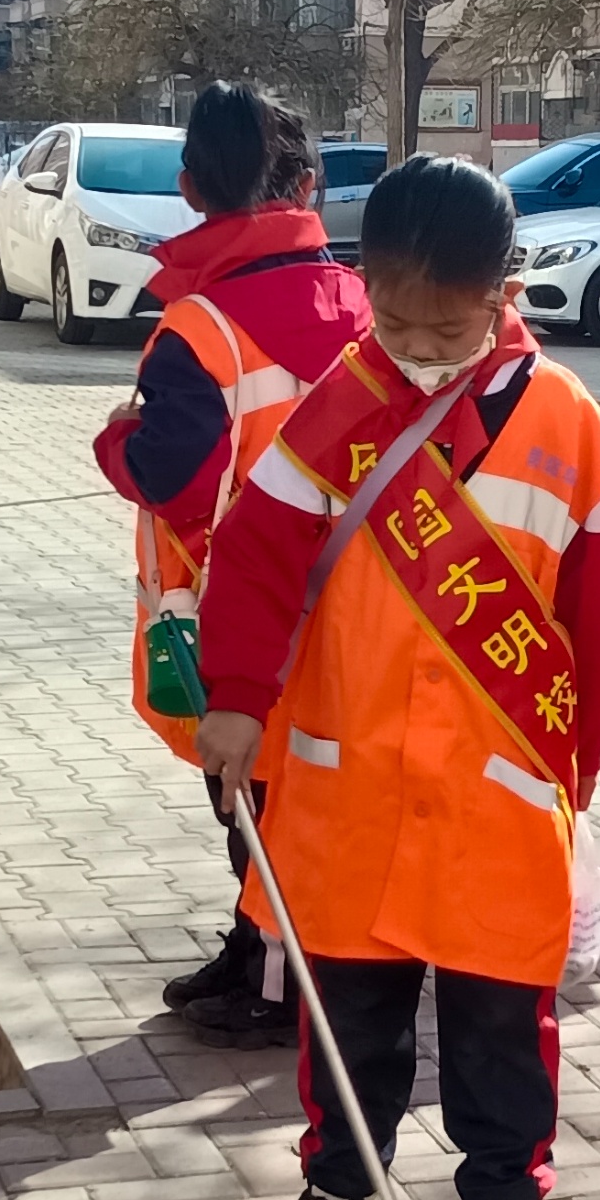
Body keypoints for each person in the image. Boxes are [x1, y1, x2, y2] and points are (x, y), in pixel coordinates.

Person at [192, 158, 600, 1200]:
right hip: (350, 777)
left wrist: (582, 757)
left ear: (501, 293)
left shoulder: (563, 422)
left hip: (497, 788)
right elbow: (253, 559)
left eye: (448, 326)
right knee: (348, 1010)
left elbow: (593, 611)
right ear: (364, 287)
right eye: (394, 321)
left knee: (499, 1024)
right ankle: (343, 1185)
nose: (419, 348)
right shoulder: (333, 410)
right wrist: (234, 697)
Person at [95, 81, 367, 1050]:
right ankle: (260, 949)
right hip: (360, 593)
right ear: (309, 185)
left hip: (238, 607)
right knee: (305, 790)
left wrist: (114, 441)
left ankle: (277, 981)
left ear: (188, 188)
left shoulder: (197, 331)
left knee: (250, 795)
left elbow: (171, 477)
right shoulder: (364, 304)